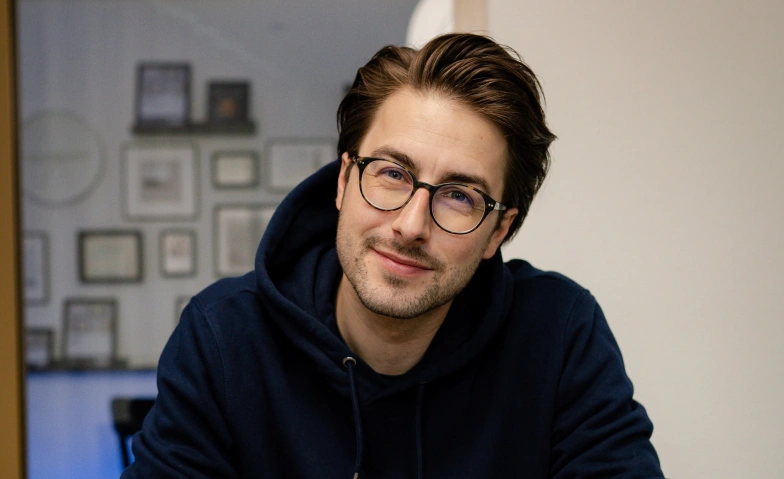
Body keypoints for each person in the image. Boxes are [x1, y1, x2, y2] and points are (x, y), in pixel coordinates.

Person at [122, 33, 664, 478]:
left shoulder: (559, 333)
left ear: (498, 230)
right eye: (392, 173)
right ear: (343, 182)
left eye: (459, 196)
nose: (410, 225)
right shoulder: (224, 337)